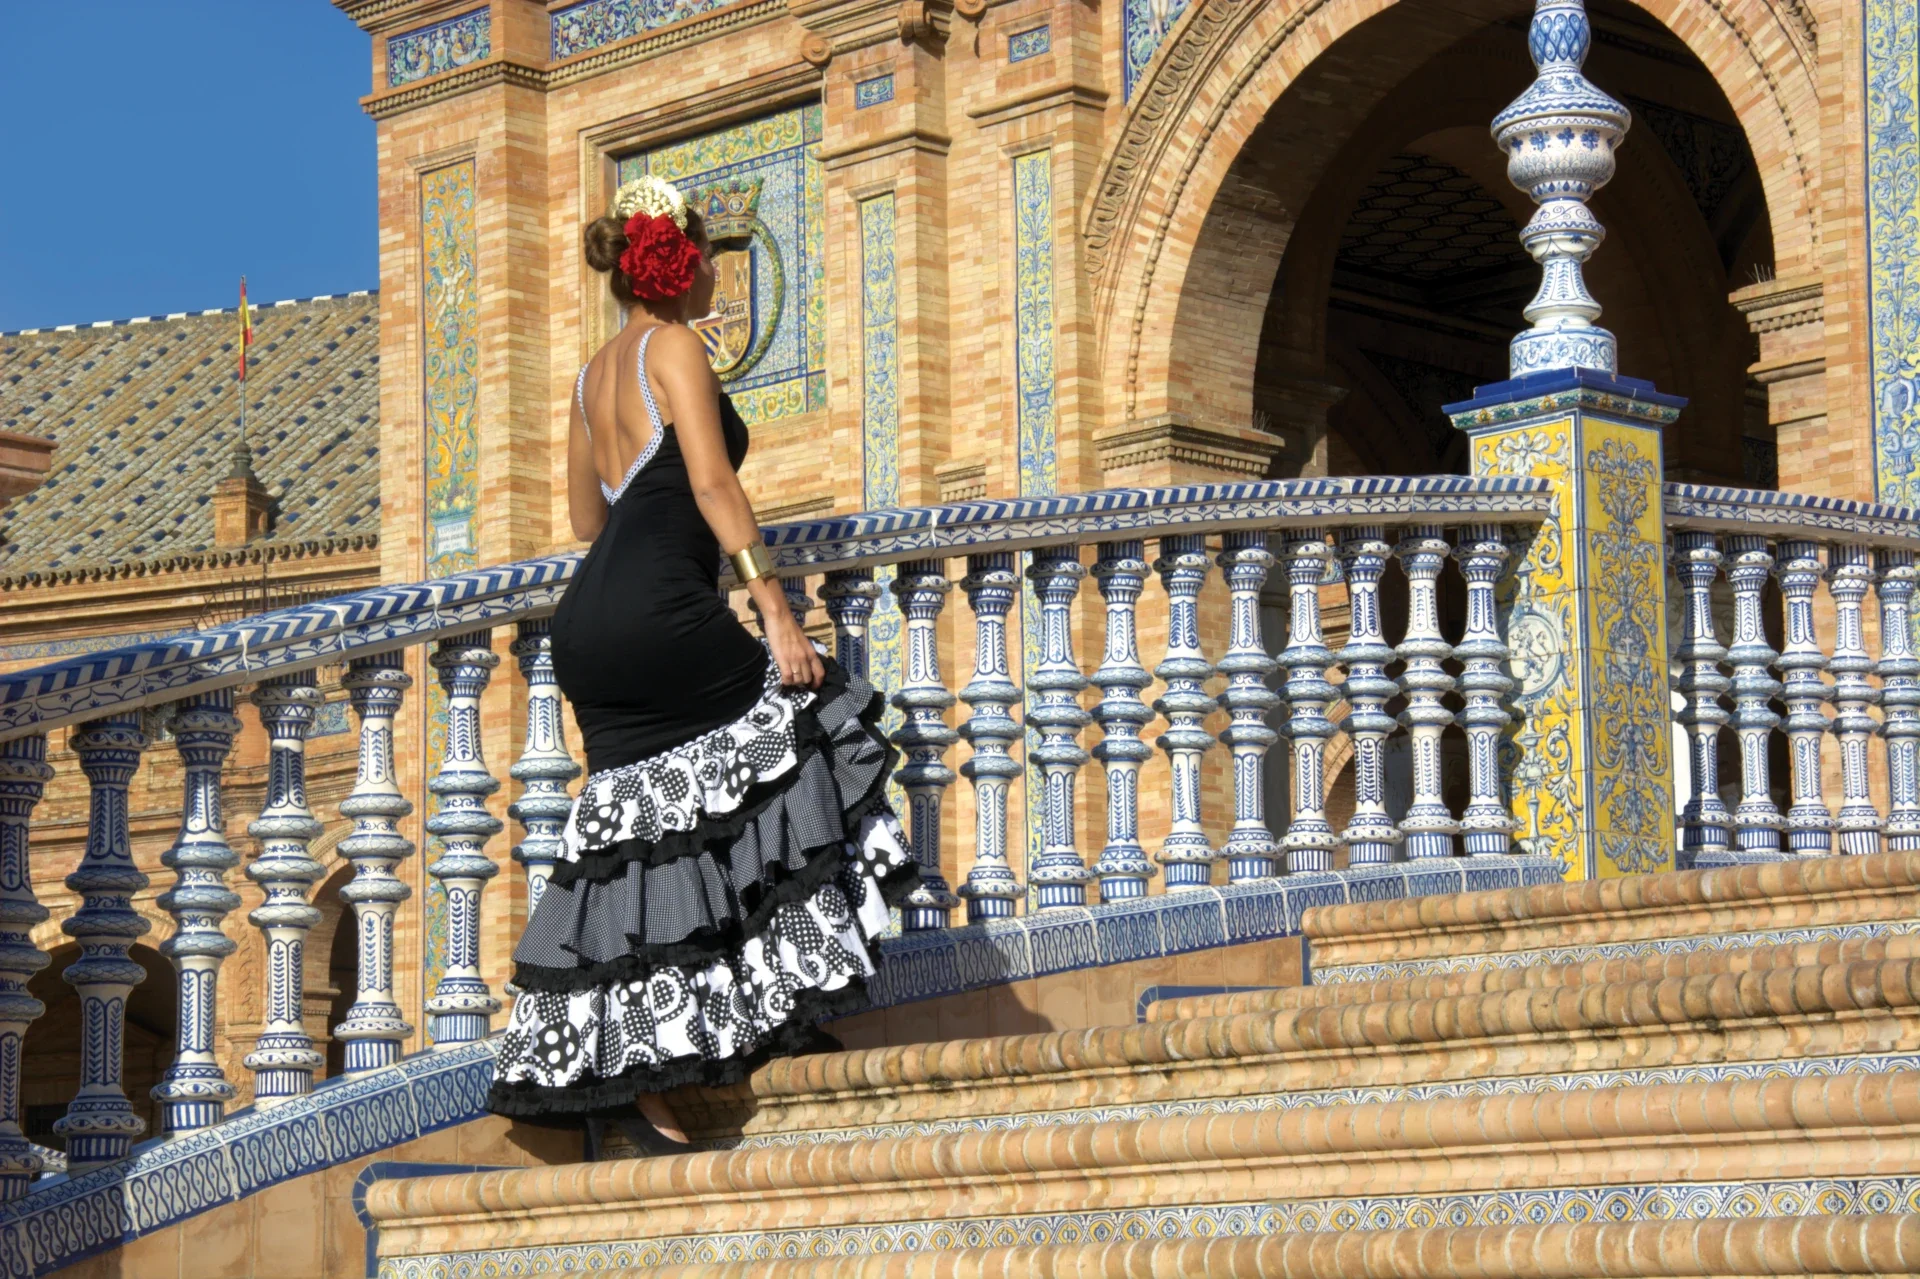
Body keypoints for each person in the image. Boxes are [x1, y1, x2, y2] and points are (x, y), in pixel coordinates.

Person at [487, 174, 921, 1143]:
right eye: (710, 256)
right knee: (807, 727)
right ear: (681, 263)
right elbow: (714, 482)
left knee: (644, 835)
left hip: (588, 629)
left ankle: (648, 1076)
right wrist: (776, 611)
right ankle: (780, 996)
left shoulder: (590, 376)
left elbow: (587, 519)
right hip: (662, 610)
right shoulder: (675, 346)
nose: (718, 272)